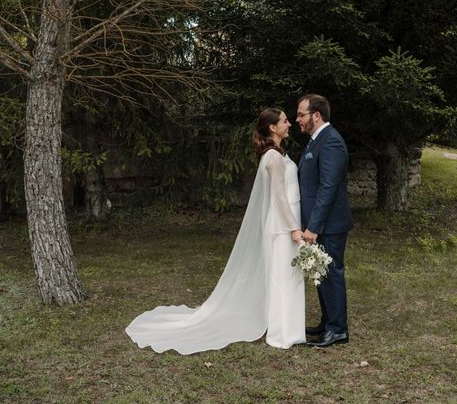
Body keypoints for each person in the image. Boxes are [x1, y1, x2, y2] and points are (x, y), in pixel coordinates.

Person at [125, 108, 306, 354]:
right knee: (281, 278)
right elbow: (278, 197)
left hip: (284, 223)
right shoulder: (273, 158)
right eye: (285, 121)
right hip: (282, 227)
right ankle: (281, 333)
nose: (289, 124)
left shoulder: (275, 154)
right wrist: (294, 228)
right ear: (273, 127)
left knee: (286, 276)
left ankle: (289, 329)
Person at [296, 94, 353, 348]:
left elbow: (328, 187)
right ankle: (328, 321)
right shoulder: (314, 142)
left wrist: (314, 226)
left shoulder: (331, 142)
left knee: (331, 273)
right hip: (319, 224)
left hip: (329, 225)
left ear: (316, 115)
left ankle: (338, 329)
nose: (298, 119)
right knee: (321, 274)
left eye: (301, 114)